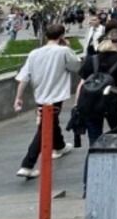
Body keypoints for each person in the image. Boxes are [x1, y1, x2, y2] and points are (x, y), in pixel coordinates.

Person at [12, 24, 80, 178]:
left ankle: (59, 145)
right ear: (62, 36)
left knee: (50, 122)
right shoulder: (63, 51)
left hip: (40, 94)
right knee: (45, 127)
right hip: (56, 94)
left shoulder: (34, 53)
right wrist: (69, 48)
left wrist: (18, 97)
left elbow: (24, 77)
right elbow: (76, 66)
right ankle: (27, 164)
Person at [75, 28, 117, 194]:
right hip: (112, 104)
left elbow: (81, 84)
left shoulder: (92, 59)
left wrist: (77, 106)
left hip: (90, 105)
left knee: (94, 142)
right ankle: (115, 180)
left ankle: (89, 185)